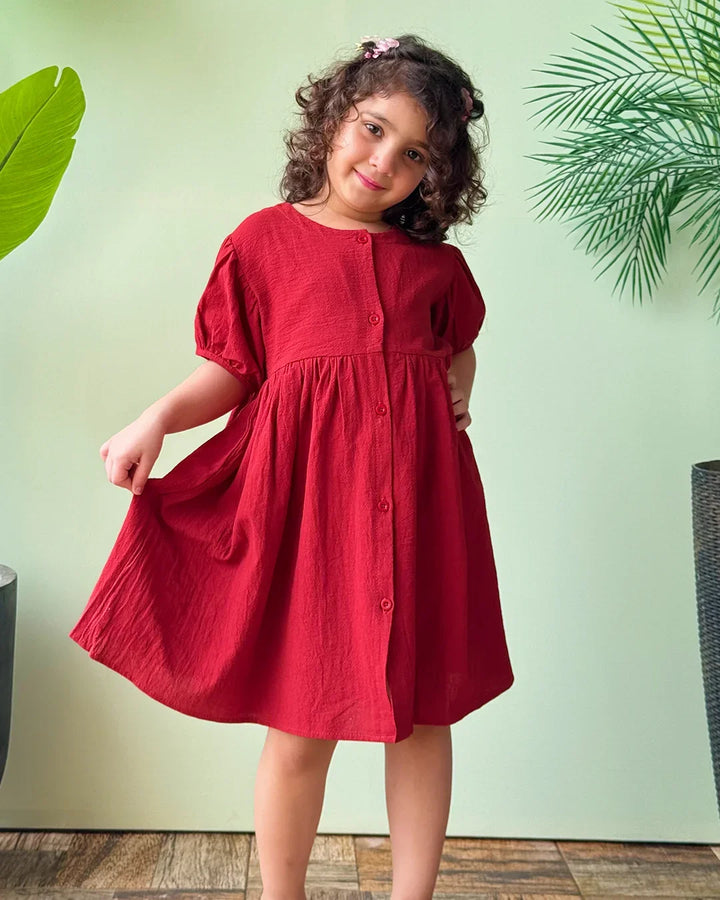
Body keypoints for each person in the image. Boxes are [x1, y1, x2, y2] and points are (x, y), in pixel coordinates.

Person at [69, 33, 515, 900]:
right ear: (331, 120)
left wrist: (460, 384)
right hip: (315, 517)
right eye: (373, 129)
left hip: (424, 513)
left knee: (423, 719)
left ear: (437, 176)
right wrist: (155, 420)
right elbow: (233, 370)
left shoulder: (438, 268)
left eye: (414, 152)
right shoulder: (265, 244)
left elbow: (458, 344)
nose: (384, 160)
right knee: (302, 721)